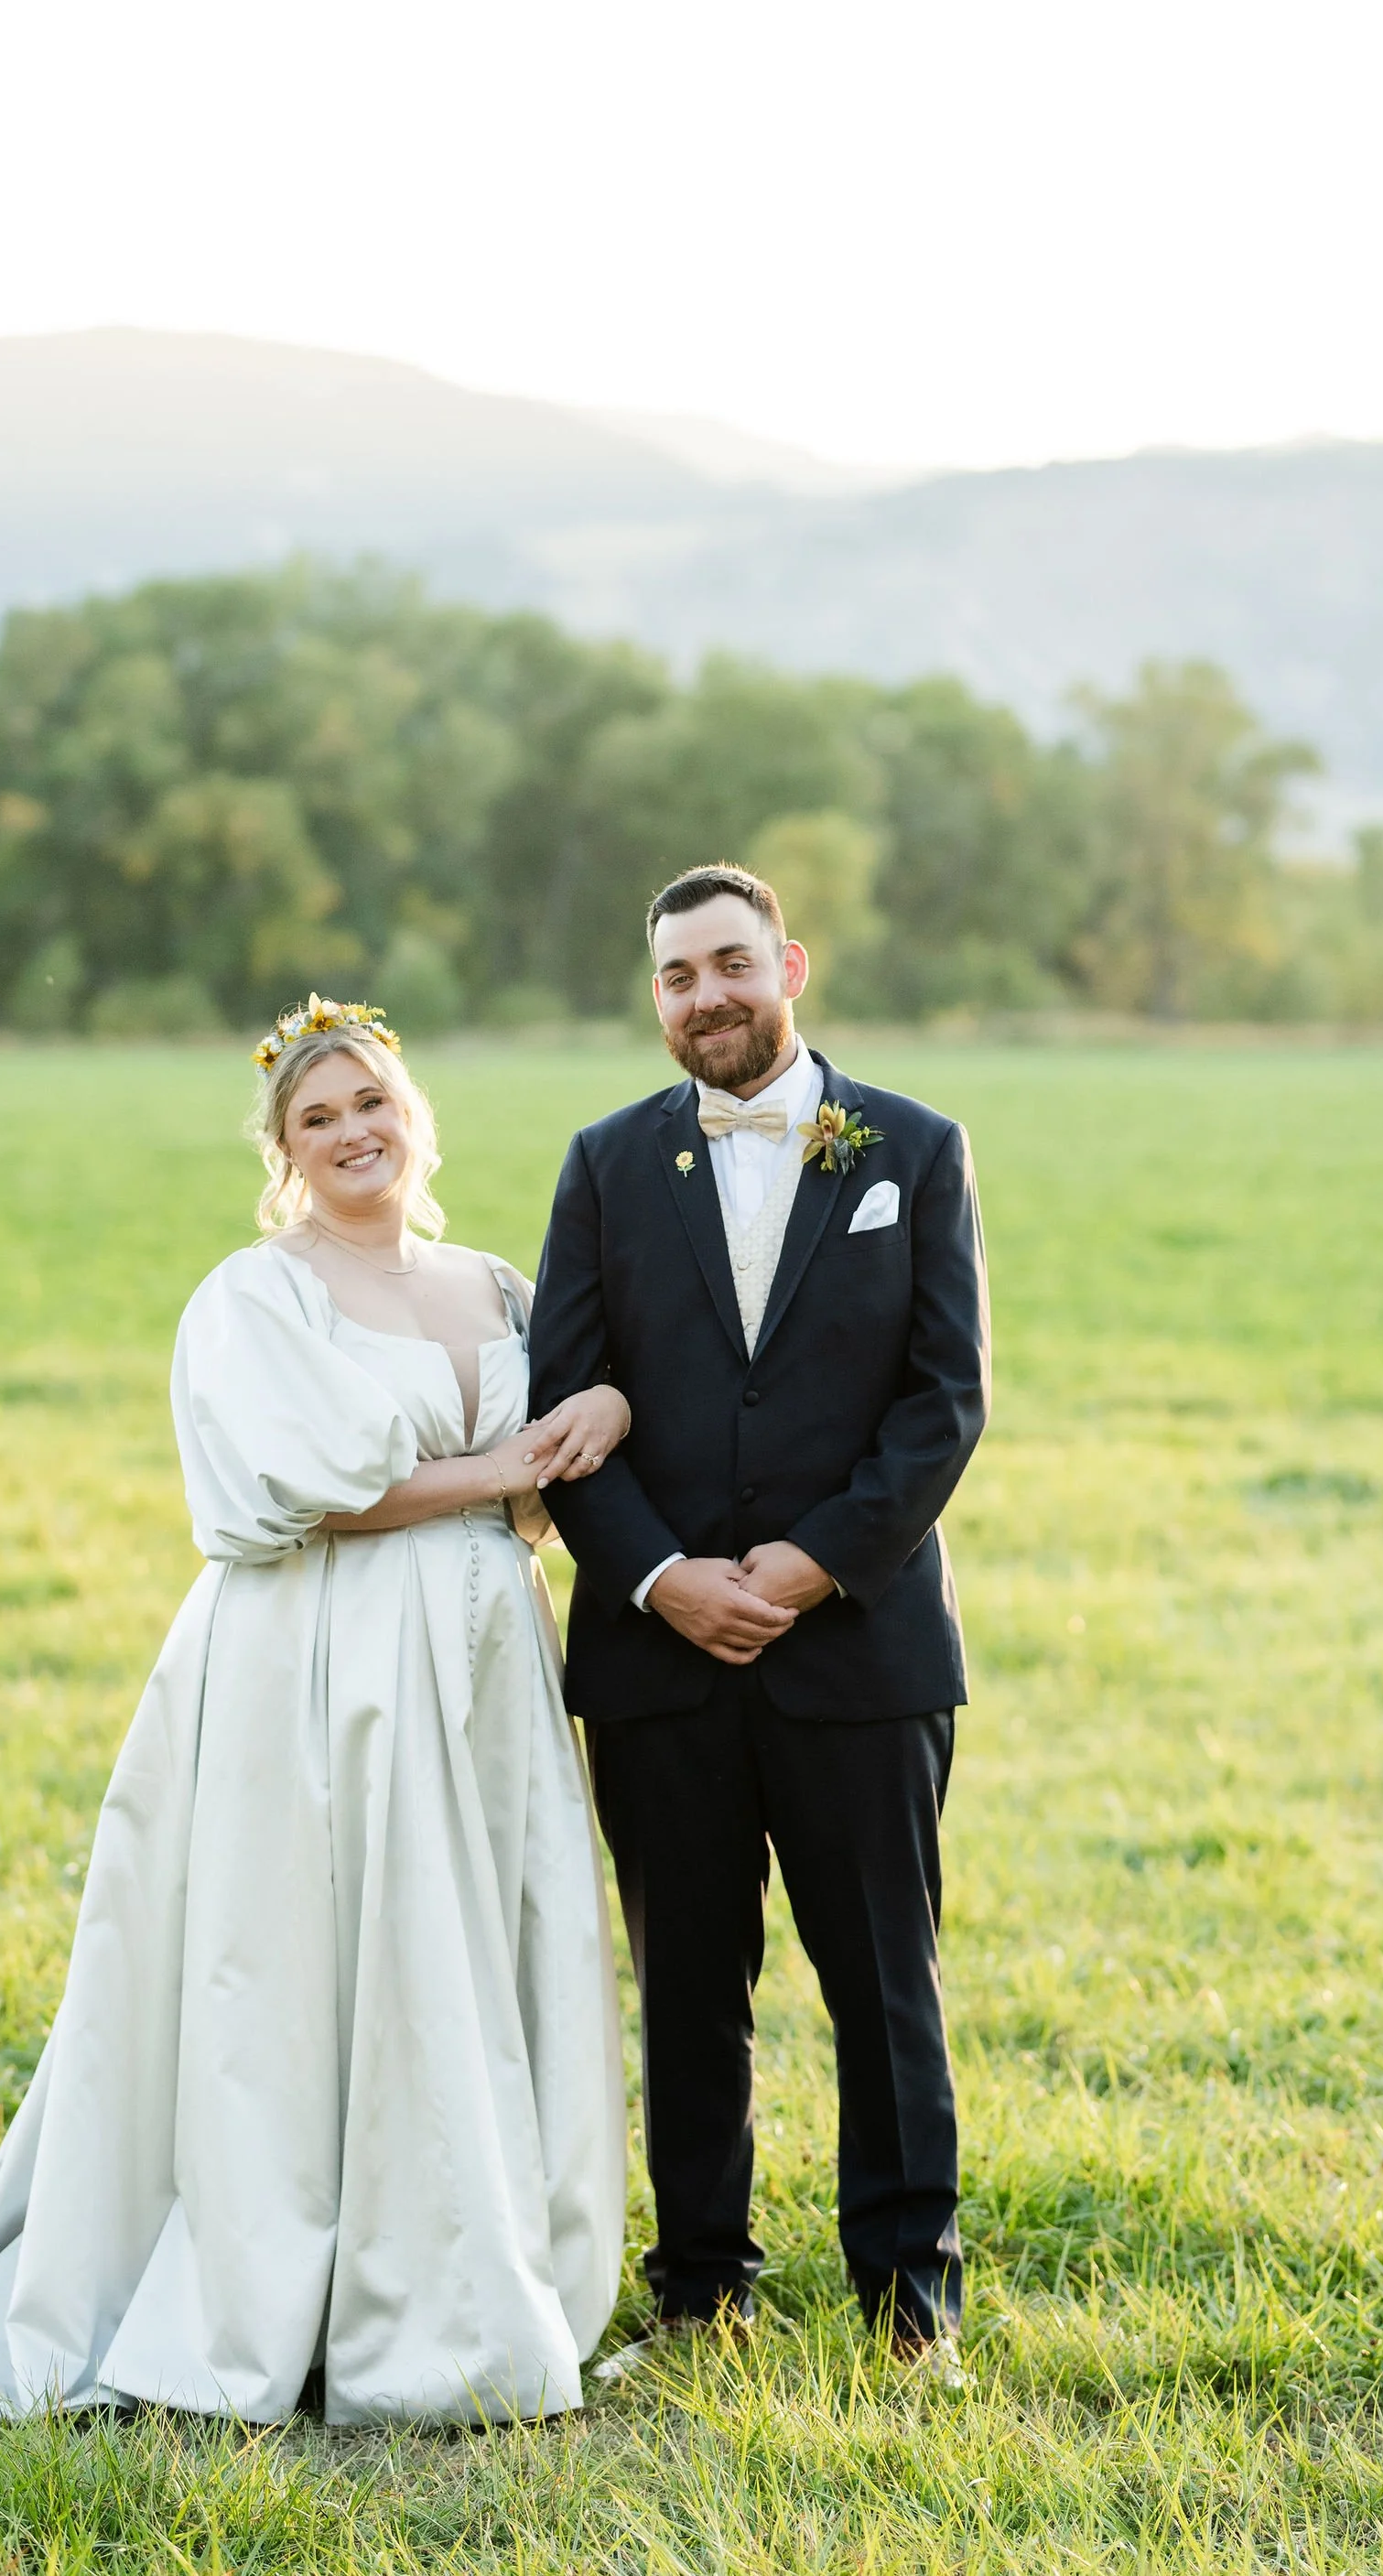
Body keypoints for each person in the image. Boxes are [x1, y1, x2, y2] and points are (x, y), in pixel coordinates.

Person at [0, 1000, 627, 2427]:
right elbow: (308, 1499)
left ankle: (456, 2262)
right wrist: (510, 1462)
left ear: (414, 1116)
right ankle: (303, 2283)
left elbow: (545, 1475)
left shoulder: (498, 1286)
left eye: (371, 1105)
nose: (352, 1135)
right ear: (283, 1151)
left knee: (457, 1946)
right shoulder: (254, 1299)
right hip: (317, 1666)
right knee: (308, 1958)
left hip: (481, 1665)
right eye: (318, 1119)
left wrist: (599, 1420)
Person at [527, 865, 989, 2374]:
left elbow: (945, 1405)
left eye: (731, 963)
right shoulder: (604, 1165)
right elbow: (563, 1414)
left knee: (885, 1987)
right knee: (688, 1994)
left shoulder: (913, 1151)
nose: (707, 995)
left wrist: (801, 1570)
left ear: (789, 963)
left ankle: (910, 2303)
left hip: (858, 1649)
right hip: (659, 1659)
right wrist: (667, 1580)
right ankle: (699, 2293)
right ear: (653, 997)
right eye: (676, 976)